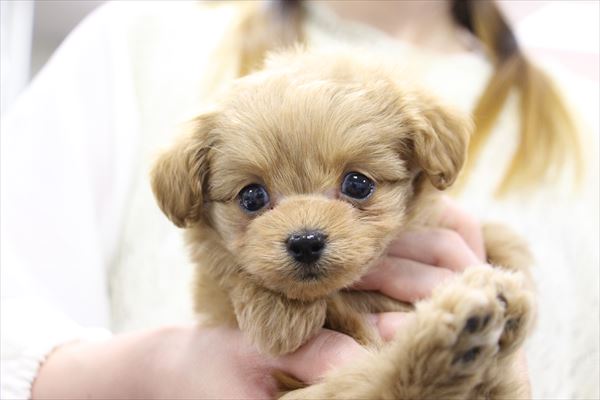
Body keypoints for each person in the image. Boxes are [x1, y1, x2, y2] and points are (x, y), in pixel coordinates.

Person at [1, 1, 597, 399]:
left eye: (357, 187)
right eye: (254, 197)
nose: (306, 229)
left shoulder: (584, 122)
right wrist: (152, 370)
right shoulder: (140, 37)